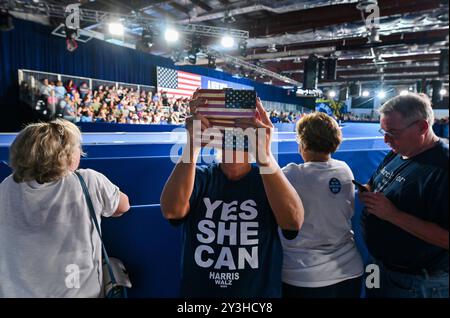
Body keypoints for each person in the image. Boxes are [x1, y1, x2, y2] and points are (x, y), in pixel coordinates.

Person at [160, 96, 304, 298]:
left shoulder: (268, 180)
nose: (234, 140)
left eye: (239, 135)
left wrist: (265, 156)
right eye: (228, 133)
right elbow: (171, 211)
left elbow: (293, 223)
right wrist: (192, 146)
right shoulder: (200, 177)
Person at [0, 119, 130, 297]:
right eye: (77, 147)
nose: (80, 152)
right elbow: (123, 206)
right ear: (65, 154)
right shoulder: (89, 181)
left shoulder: (6, 186)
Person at [359, 93, 448, 298]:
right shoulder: (399, 151)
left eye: (393, 132)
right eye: (383, 131)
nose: (385, 139)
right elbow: (375, 182)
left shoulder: (443, 168)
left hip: (417, 281)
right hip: (381, 268)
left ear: (422, 128)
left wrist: (393, 215)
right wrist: (367, 192)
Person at [281, 112, 364, 298]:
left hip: (305, 276)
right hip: (349, 270)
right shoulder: (344, 169)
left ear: (302, 141)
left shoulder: (290, 174)